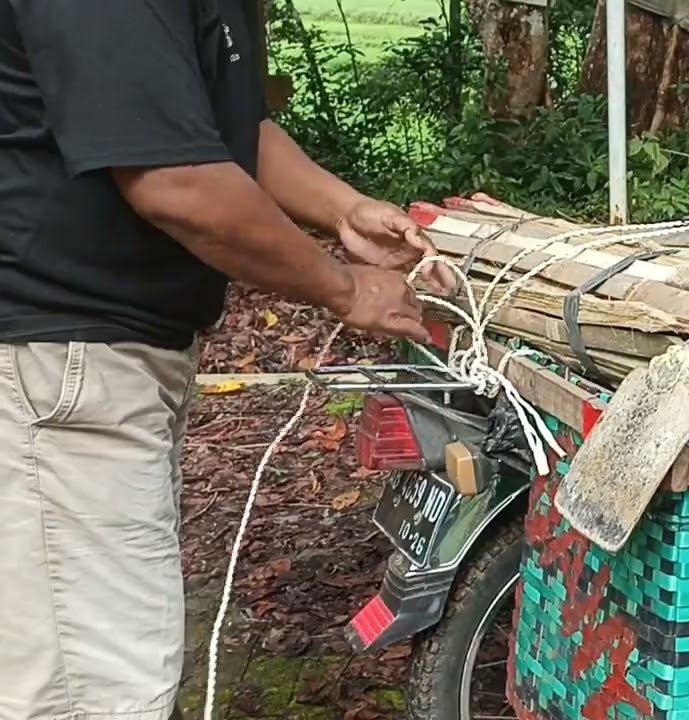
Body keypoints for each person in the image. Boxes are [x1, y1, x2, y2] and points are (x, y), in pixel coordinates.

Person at [0, 1, 452, 718]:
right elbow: (177, 180)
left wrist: (342, 208)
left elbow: (223, 128)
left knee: (97, 659)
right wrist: (343, 288)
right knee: (93, 687)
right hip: (60, 357)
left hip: (103, 358)